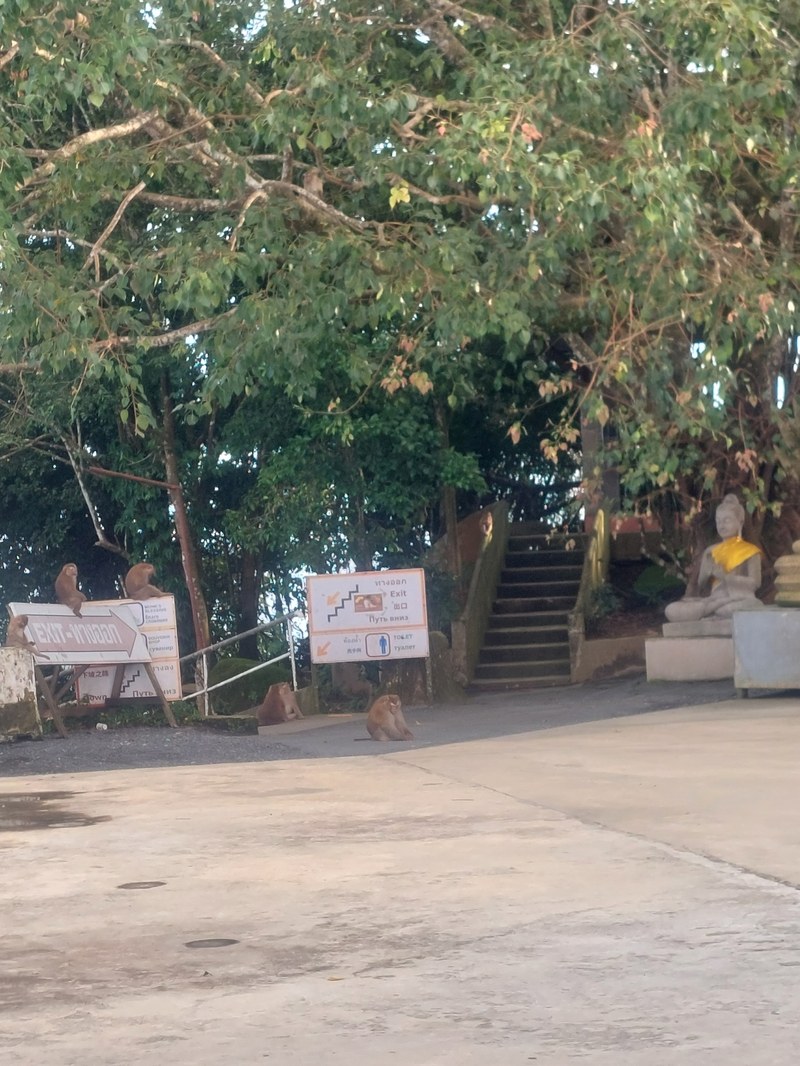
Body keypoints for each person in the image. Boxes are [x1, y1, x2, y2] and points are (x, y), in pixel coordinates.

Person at [665, 494, 763, 622]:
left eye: (727, 520)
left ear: (740, 522)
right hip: (713, 599)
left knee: (750, 606)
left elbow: (755, 583)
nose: (721, 525)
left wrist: (726, 577)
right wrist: (706, 574)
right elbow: (702, 586)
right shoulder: (710, 551)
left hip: (738, 599)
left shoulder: (750, 551)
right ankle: (712, 610)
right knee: (671, 609)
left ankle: (710, 611)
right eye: (718, 521)